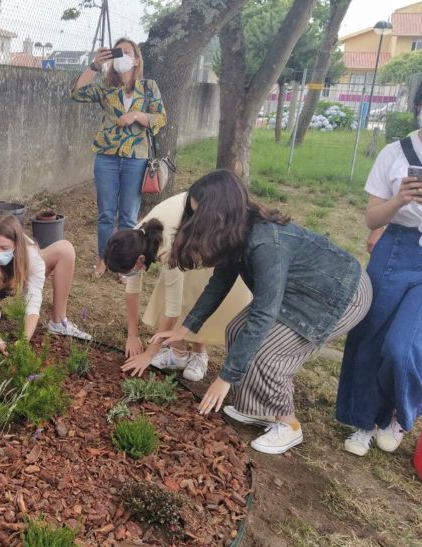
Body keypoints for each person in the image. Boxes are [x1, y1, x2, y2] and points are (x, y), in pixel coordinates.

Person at [152, 170, 371, 455]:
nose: (195, 224)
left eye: (200, 217)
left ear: (220, 215)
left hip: (339, 295)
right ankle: (263, 410)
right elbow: (219, 283)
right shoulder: (236, 231)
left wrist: (225, 378)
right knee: (235, 330)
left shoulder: (266, 243)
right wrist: (184, 328)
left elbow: (263, 315)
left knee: (270, 355)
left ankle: (289, 425)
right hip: (297, 291)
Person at [337, 62, 422, 457]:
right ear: (417, 105)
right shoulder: (396, 152)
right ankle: (363, 419)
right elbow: (372, 218)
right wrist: (400, 199)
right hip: (395, 246)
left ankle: (398, 412)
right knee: (368, 337)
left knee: (405, 346)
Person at [103, 192, 251, 382]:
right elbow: (132, 291)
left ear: (140, 259)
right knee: (172, 290)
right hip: (187, 231)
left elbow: (173, 310)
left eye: (127, 271)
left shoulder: (168, 247)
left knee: (198, 290)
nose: (126, 276)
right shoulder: (134, 239)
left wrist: (149, 354)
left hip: (215, 230)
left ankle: (199, 354)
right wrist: (132, 335)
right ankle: (178, 354)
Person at [70, 38, 167, 277]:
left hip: (136, 158)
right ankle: (104, 259)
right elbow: (76, 93)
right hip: (107, 157)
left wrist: (136, 115)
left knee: (128, 215)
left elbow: (160, 118)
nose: (121, 56)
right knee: (106, 213)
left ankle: (125, 263)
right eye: (117, 52)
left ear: (136, 60)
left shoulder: (149, 87)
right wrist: (94, 65)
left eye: (126, 52)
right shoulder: (105, 86)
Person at [0, 215, 91, 352]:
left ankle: (59, 323)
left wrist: (24, 340)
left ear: (16, 244)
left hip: (19, 275)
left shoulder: (32, 255)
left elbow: (33, 301)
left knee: (65, 249)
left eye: (4, 248)